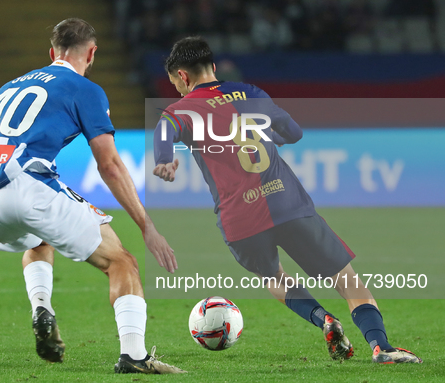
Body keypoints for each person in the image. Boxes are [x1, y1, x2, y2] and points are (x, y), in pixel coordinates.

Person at [153, 36, 422, 364]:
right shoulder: (251, 93)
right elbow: (293, 133)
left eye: (176, 85)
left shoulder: (182, 109)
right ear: (211, 65)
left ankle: (324, 319)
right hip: (287, 203)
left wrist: (165, 159)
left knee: (274, 279)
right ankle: (381, 347)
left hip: (239, 219)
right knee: (347, 280)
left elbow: (165, 129)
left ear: (182, 76)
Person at [0, 18, 185, 374]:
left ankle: (41, 306)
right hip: (26, 185)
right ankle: (134, 356)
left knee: (39, 234)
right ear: (92, 53)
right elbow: (109, 165)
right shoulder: (84, 89)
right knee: (121, 261)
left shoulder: (4, 88)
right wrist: (146, 225)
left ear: (52, 53)